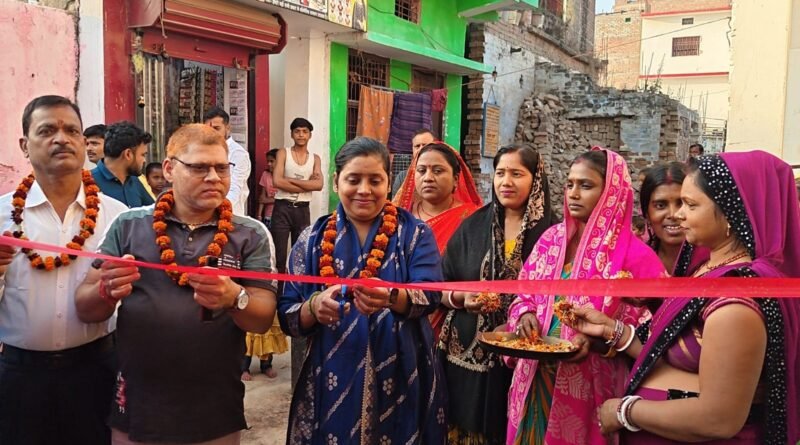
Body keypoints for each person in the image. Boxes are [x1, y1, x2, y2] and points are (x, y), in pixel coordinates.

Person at [567, 151, 800, 444]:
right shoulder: (706, 271)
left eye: (690, 204)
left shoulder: (736, 304)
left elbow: (719, 418)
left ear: (731, 211)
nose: (678, 214)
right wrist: (611, 330)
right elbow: (670, 354)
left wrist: (625, 411)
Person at [75, 123, 278, 444]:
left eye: (222, 168)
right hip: (138, 403)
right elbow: (85, 308)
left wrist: (234, 297)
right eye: (199, 167)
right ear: (169, 169)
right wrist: (106, 291)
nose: (213, 177)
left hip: (215, 404)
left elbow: (263, 318)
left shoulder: (250, 233)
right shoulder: (129, 225)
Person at [278, 137, 446, 445]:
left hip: (401, 368)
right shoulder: (312, 239)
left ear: (389, 183)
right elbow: (287, 313)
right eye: (353, 180)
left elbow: (431, 294)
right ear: (335, 181)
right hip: (331, 370)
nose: (364, 190)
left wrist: (392, 296)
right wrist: (313, 307)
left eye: (375, 181)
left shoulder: (414, 234)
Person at [505, 148, 666, 445]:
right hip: (535, 376)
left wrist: (598, 342)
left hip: (591, 383)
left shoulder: (637, 256)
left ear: (612, 193)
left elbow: (655, 327)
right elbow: (523, 293)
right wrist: (525, 315)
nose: (574, 194)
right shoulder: (551, 240)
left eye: (586, 185)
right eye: (569, 184)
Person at [0, 95, 128, 444]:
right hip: (18, 377)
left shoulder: (117, 217)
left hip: (96, 371)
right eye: (47, 131)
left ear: (84, 143)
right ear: (24, 145)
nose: (62, 139)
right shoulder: (3, 216)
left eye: (72, 130)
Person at [438, 144, 553, 445]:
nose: (506, 182)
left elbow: (563, 295)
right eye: (500, 173)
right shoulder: (473, 226)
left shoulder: (554, 234)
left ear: (536, 179)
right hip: (467, 353)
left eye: (517, 174)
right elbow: (442, 283)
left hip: (526, 354)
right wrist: (461, 299)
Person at [393, 141, 482, 337]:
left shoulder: (473, 218)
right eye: (421, 170)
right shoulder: (398, 218)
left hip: (453, 321)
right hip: (399, 316)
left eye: (438, 171)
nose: (428, 178)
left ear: (456, 179)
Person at [271, 118, 323, 277]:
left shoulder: (315, 158)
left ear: (310, 135)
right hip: (282, 208)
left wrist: (289, 180)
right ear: (292, 134)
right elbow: (277, 181)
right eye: (297, 131)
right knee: (279, 254)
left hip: (302, 209)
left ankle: (296, 288)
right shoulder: (283, 153)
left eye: (305, 132)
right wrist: (307, 184)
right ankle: (278, 289)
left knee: (300, 254)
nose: (301, 135)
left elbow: (318, 185)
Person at [91, 121, 154, 208]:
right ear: (128, 154)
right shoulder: (87, 182)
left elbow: (154, 211)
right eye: (143, 155)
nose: (144, 160)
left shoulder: (135, 181)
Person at [640, 162, 686, 273]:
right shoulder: (636, 261)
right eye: (660, 205)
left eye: (682, 203)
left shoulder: (713, 263)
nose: (673, 214)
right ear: (647, 214)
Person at [204, 107, 251, 216]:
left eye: (216, 128)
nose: (212, 133)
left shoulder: (238, 154)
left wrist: (215, 210)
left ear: (227, 128)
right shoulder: (203, 151)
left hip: (229, 214)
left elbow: (234, 189)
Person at [391, 128, 436, 196]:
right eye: (417, 146)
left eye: (425, 145)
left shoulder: (442, 174)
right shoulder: (402, 178)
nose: (420, 149)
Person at [256, 149, 279, 228]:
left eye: (272, 161)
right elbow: (262, 198)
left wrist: (268, 200)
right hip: (268, 214)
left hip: (281, 214)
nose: (269, 164)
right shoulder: (265, 174)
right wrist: (259, 215)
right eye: (268, 161)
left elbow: (285, 198)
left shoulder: (285, 176)